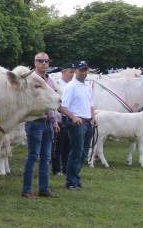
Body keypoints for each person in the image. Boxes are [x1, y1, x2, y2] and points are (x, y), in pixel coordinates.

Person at [21, 52, 59, 198]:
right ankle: (27, 189)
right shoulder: (30, 80)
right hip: (35, 121)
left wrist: (55, 121)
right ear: (35, 63)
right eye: (41, 61)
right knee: (33, 155)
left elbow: (53, 102)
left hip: (48, 122)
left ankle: (44, 188)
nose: (44, 64)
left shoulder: (50, 81)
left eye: (46, 61)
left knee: (46, 157)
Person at [58, 61, 92, 190]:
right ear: (75, 71)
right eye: (81, 70)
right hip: (76, 122)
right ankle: (71, 181)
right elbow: (62, 107)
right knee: (76, 152)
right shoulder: (71, 86)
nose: (83, 73)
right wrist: (73, 117)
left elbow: (91, 103)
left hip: (87, 121)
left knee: (83, 153)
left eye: (85, 70)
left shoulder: (88, 86)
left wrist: (93, 116)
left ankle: (75, 177)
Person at [51, 66, 74, 176]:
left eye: (73, 72)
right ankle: (56, 169)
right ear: (63, 72)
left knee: (68, 146)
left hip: (70, 118)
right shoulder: (56, 84)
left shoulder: (72, 85)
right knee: (57, 146)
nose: (72, 74)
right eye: (70, 72)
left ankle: (66, 167)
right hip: (59, 118)